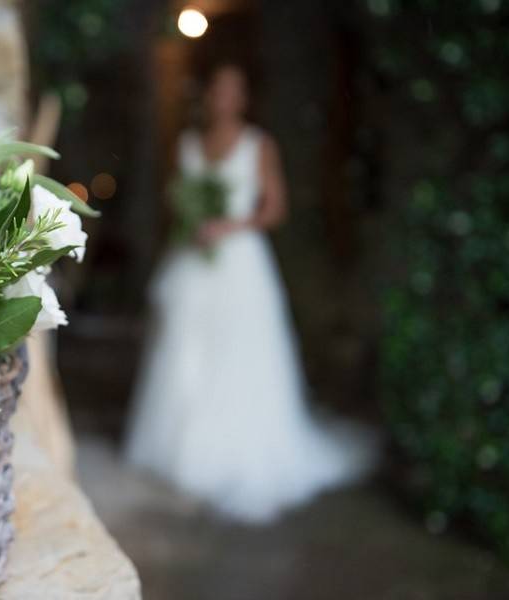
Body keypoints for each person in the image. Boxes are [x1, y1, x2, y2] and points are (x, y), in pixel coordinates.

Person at [124, 64, 375, 524]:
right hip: (192, 260)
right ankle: (182, 450)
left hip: (239, 262)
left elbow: (274, 208)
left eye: (232, 90)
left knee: (239, 352)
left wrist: (229, 225)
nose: (223, 98)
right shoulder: (187, 144)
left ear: (243, 98)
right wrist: (189, 217)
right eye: (217, 88)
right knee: (183, 347)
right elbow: (174, 196)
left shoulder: (260, 145)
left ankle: (230, 448)